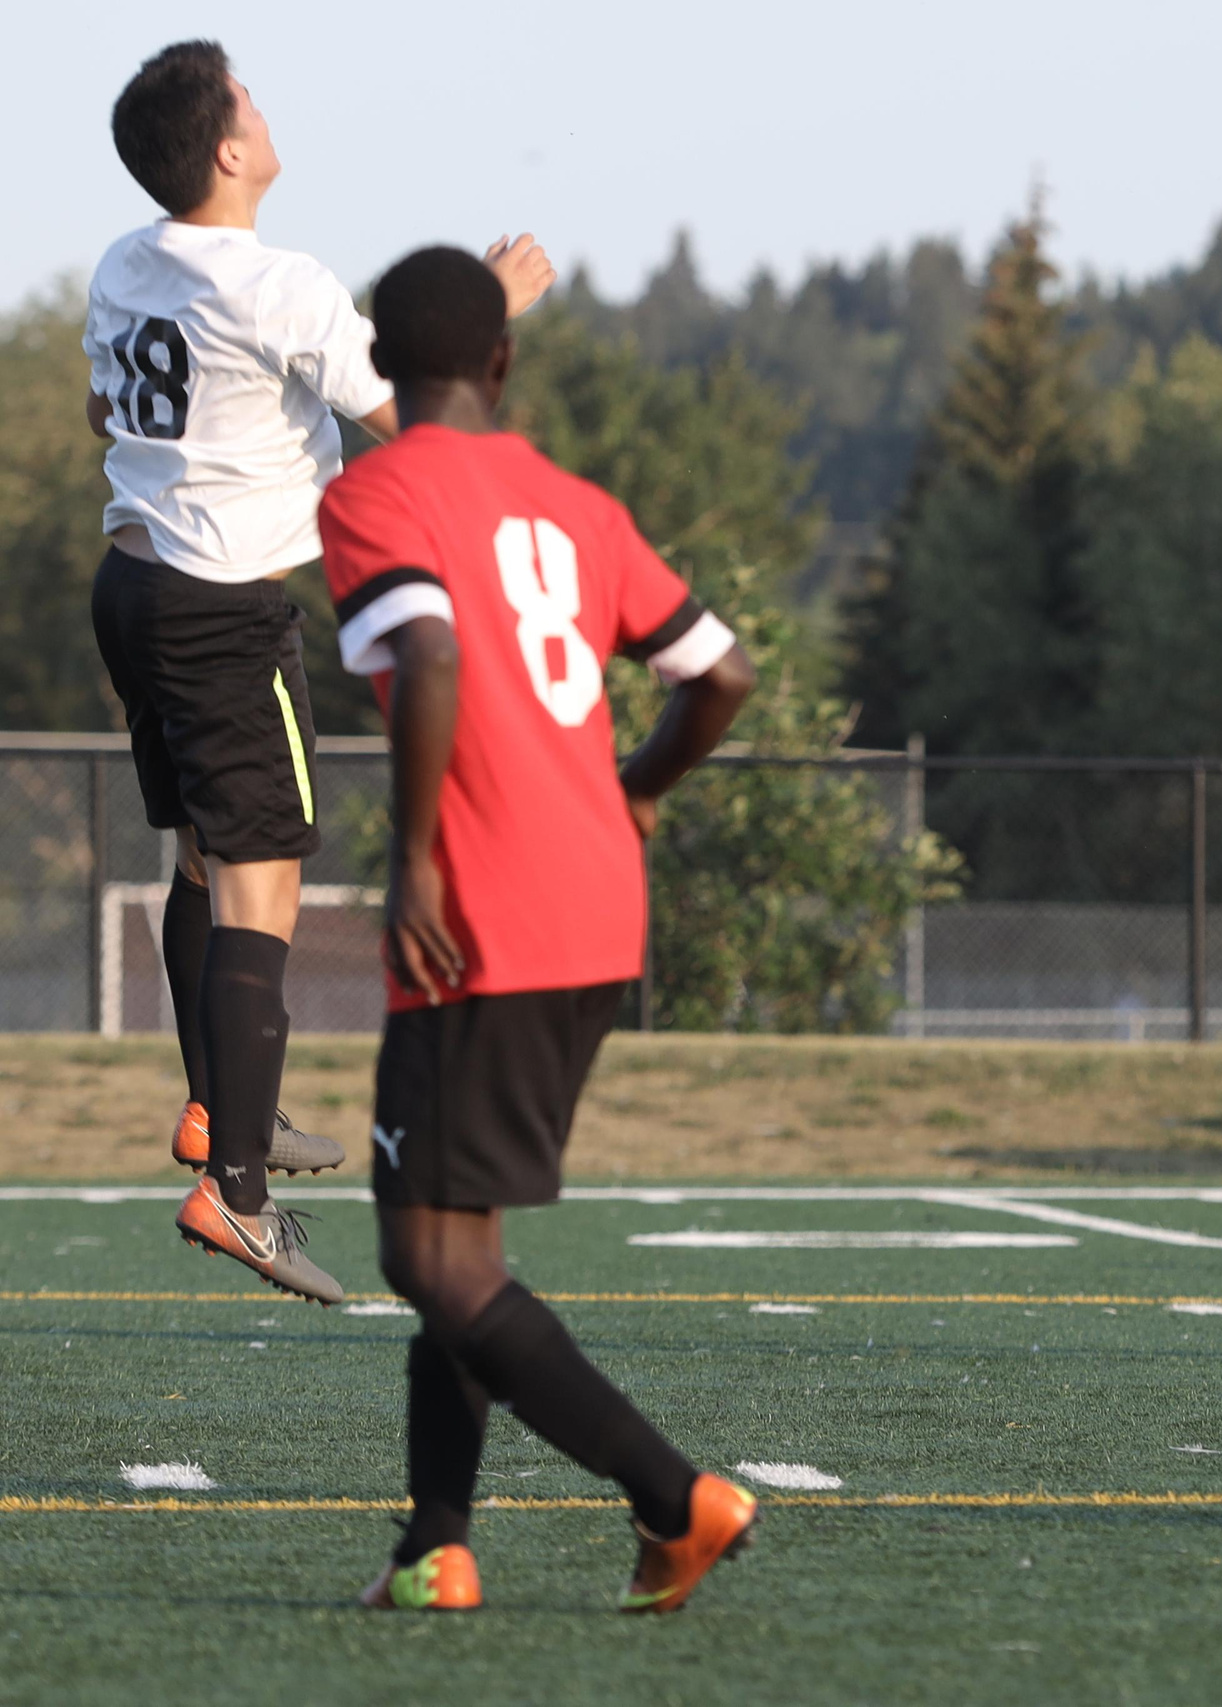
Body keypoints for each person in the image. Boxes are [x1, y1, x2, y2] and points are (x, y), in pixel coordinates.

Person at [317, 247, 758, 1613]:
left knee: (425, 1257)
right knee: (464, 1244)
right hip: (596, 908)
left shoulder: (373, 490)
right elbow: (721, 673)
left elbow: (432, 651)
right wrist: (635, 789)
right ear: (503, 360)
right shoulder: (578, 504)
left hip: (482, 912)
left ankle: (675, 1496)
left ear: (377, 365)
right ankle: (435, 1545)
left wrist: (415, 861)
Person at [86, 40, 551, 1303]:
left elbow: (108, 415)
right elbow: (419, 412)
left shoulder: (123, 264)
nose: (266, 109)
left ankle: (219, 1109)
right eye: (250, 98)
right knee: (265, 887)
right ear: (229, 150)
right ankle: (238, 1195)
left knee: (202, 858)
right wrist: (491, 305)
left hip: (130, 586)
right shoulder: (278, 282)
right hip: (221, 611)